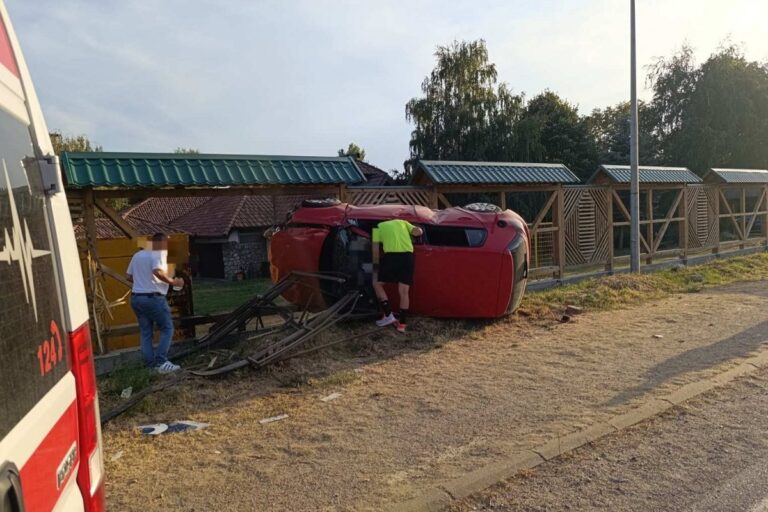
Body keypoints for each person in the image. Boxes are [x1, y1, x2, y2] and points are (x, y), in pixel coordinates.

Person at [126, 233, 185, 373]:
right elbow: (157, 271)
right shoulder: (158, 253)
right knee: (167, 328)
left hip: (137, 297)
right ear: (160, 243)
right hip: (153, 298)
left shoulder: (138, 255)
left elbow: (128, 276)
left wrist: (143, 283)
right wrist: (173, 282)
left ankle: (150, 366)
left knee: (146, 332)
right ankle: (161, 362)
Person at [371, 219, 423, 333]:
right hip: (408, 257)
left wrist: (375, 268)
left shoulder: (377, 228)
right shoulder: (403, 222)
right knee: (404, 291)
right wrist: (418, 229)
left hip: (392, 257)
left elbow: (375, 251)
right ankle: (402, 324)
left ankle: (388, 314)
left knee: (377, 284)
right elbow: (417, 231)